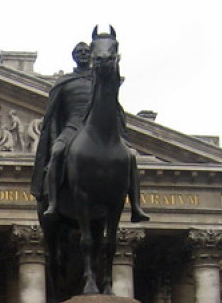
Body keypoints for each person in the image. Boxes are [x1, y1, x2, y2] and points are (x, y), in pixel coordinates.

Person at [31, 40, 148, 224]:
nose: (83, 54)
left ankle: (136, 206)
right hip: (72, 127)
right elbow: (53, 116)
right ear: (74, 57)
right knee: (56, 153)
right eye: (79, 52)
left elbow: (114, 106)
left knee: (131, 156)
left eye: (86, 51)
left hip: (98, 130)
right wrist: (54, 139)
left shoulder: (101, 80)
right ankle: (52, 202)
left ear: (92, 55)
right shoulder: (64, 82)